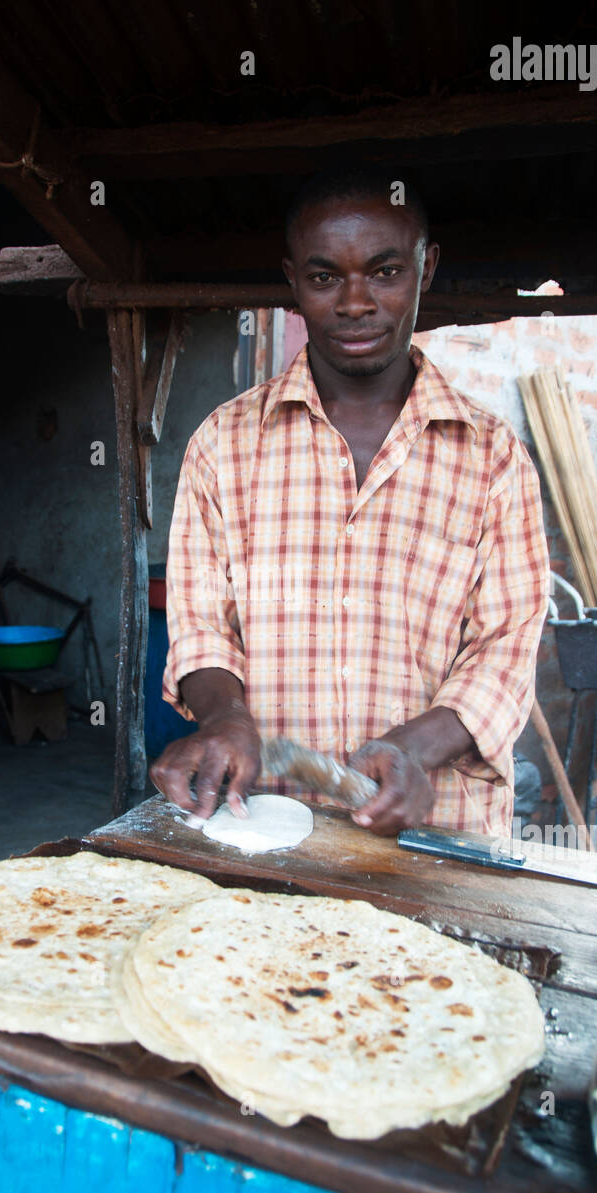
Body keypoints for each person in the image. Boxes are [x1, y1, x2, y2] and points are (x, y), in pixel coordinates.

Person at [150, 166, 549, 838]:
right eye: (324, 276)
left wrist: (412, 749)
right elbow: (199, 631)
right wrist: (223, 720)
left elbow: (506, 646)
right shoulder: (222, 443)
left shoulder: (492, 456)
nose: (354, 302)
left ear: (426, 270)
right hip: (266, 829)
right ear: (293, 282)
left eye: (385, 272)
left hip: (437, 837)